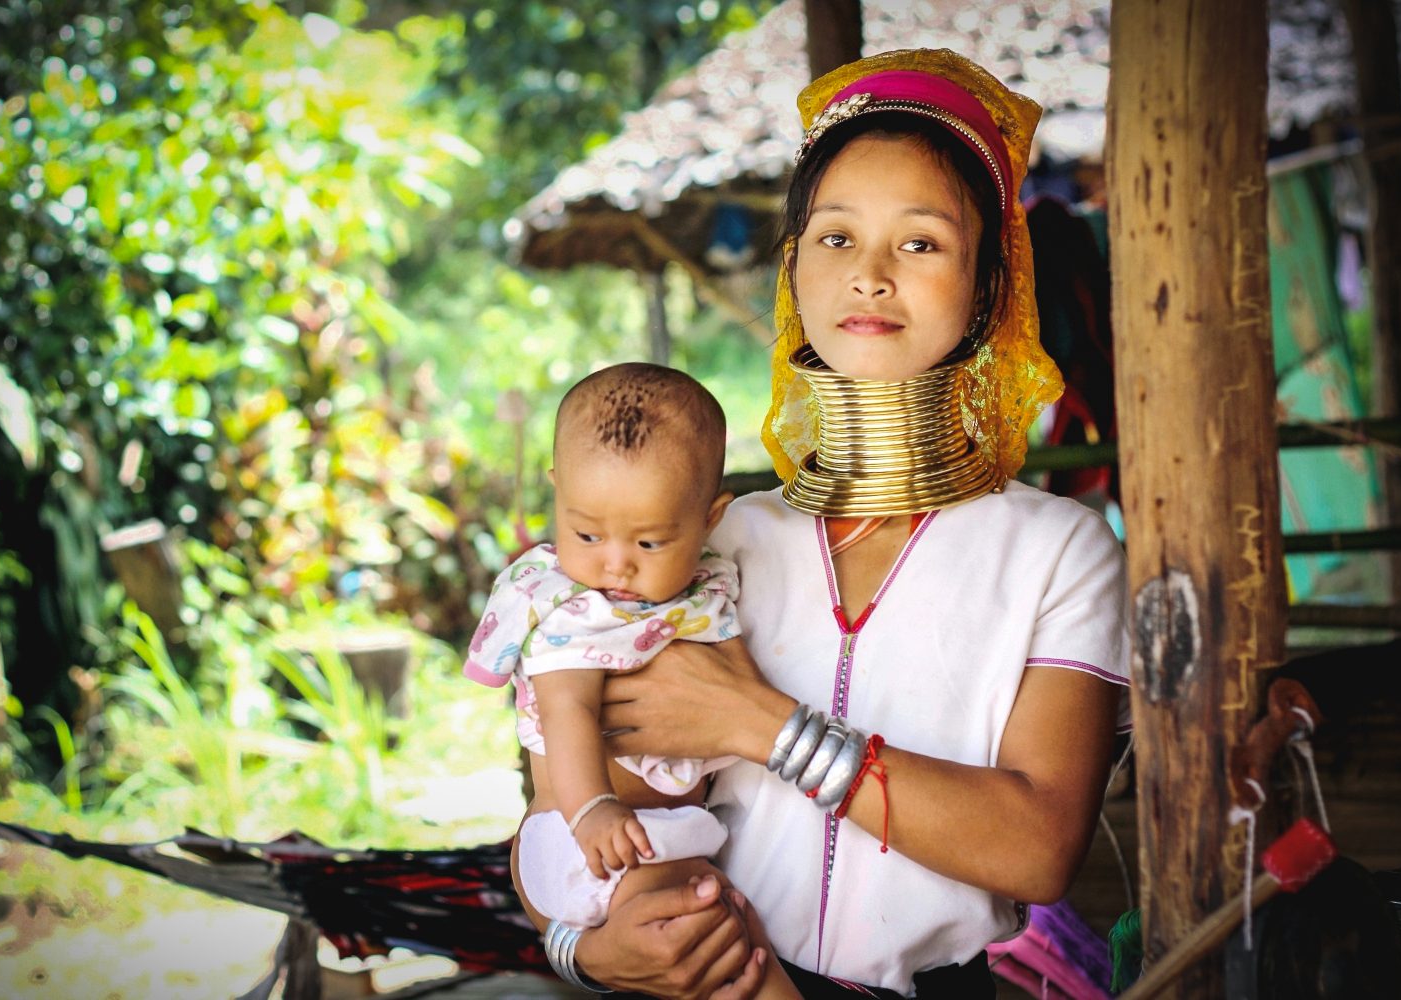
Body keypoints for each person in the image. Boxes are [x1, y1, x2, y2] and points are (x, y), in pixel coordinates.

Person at [509, 49, 1133, 1000]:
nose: (870, 277)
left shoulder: (1057, 552)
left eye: (920, 243)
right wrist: (584, 951)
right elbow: (562, 798)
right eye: (835, 238)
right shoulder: (711, 540)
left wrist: (761, 725)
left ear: (991, 283)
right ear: (793, 267)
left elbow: (1038, 848)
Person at [465, 363, 799, 997]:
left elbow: (741, 681)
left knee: (725, 940)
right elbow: (568, 713)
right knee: (710, 938)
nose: (613, 563)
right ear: (556, 492)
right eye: (586, 532)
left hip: (656, 841)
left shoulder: (706, 586)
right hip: (587, 840)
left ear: (709, 519)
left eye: (649, 543)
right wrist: (594, 810)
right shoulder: (570, 607)